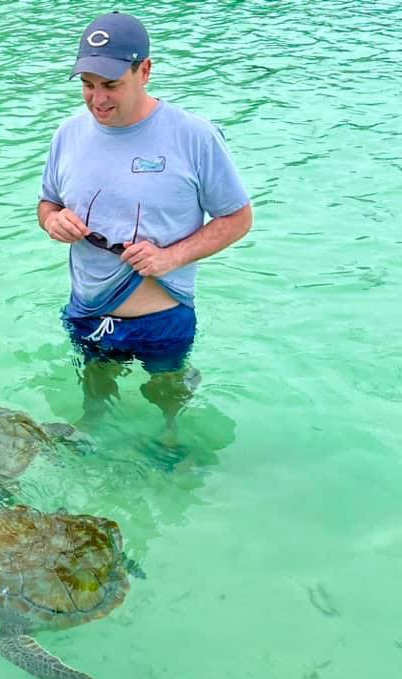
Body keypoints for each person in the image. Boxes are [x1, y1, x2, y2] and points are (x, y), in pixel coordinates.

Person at [38, 11, 252, 441]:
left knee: (169, 405)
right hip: (88, 312)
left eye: (111, 84)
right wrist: (53, 222)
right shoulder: (67, 134)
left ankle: (172, 438)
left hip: (163, 320)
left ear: (145, 71)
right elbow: (48, 204)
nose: (98, 99)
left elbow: (238, 218)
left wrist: (171, 257)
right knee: (95, 397)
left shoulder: (194, 136)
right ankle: (93, 434)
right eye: (88, 85)